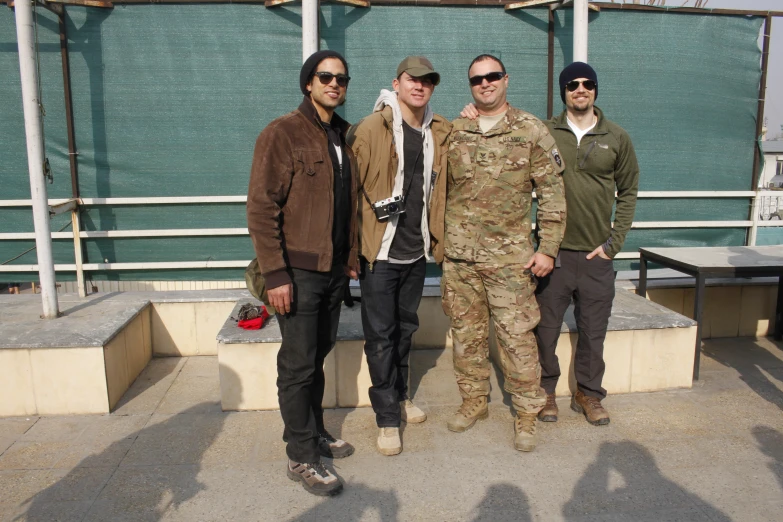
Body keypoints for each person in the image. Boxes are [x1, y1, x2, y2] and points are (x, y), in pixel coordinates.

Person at [246, 50, 359, 497]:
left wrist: (349, 256)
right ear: (307, 83)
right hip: (296, 272)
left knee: (317, 356)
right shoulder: (282, 133)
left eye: (341, 78)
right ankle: (301, 456)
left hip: (332, 272)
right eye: (325, 76)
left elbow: (345, 205)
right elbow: (261, 207)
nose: (334, 83)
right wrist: (275, 274)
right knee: (297, 364)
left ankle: (313, 433)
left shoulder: (342, 135)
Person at [443, 54, 566, 452]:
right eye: (477, 79)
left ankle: (527, 413)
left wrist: (548, 249)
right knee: (466, 336)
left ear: (506, 80)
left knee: (516, 338)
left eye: (492, 76)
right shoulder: (455, 130)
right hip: (460, 259)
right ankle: (474, 401)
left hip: (510, 260)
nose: (485, 84)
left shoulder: (531, 130)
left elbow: (551, 194)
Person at [347, 56, 452, 456]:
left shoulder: (438, 130)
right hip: (379, 254)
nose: (420, 86)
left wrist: (473, 111)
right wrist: (350, 251)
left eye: (428, 81)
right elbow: (348, 193)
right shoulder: (372, 128)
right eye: (413, 79)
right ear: (397, 83)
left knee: (405, 330)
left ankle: (400, 396)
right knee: (380, 338)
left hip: (414, 252)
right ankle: (387, 418)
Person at [534, 62, 639, 426]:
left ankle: (589, 395)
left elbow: (628, 192)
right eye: (573, 84)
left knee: (593, 332)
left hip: (596, 256)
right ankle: (546, 392)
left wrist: (614, 244)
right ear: (563, 91)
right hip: (554, 255)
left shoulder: (617, 137)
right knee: (544, 330)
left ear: (595, 90)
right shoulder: (545, 132)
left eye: (588, 84)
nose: (581, 89)